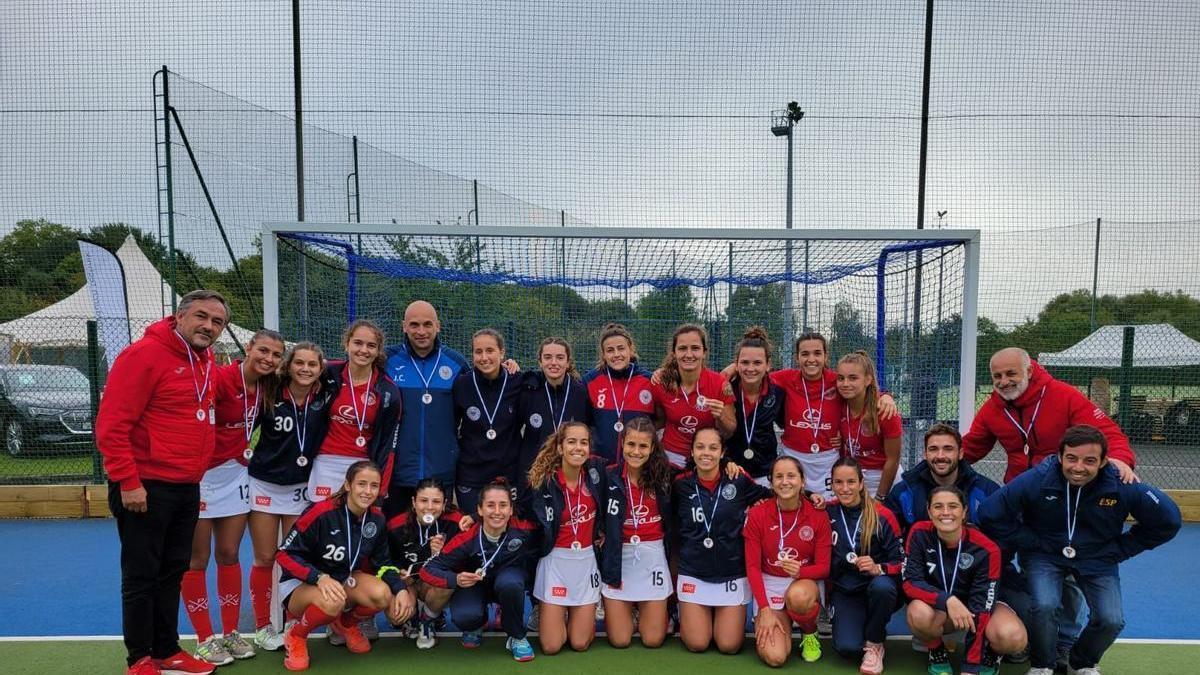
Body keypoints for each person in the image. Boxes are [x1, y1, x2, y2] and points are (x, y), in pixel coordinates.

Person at [97, 289, 230, 675]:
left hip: (186, 486)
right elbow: (111, 425)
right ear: (180, 316)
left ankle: (166, 649)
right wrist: (128, 480)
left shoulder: (204, 360)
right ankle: (139, 658)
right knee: (141, 575)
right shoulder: (143, 355)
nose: (209, 326)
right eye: (202, 317)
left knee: (173, 571)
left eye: (217, 322)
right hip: (145, 485)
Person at [978, 425, 1180, 675]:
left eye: (1090, 461)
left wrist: (1121, 549)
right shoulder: (1038, 479)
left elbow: (1168, 520)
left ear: (1105, 461)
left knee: (1110, 620)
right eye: (1071, 458)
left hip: (1098, 558)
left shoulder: (1121, 484)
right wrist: (1030, 541)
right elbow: (990, 513)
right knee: (1045, 606)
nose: (1078, 467)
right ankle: (1043, 664)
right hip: (1045, 555)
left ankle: (1080, 661)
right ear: (1060, 456)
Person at [181, 329, 284, 665]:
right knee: (197, 559)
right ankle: (204, 638)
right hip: (202, 476)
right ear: (249, 348)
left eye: (275, 355)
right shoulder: (221, 379)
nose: (268, 359)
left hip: (237, 473)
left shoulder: (267, 387)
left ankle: (230, 633)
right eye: (263, 351)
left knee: (228, 554)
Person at [276, 461, 415, 671]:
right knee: (332, 600)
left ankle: (346, 624)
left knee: (383, 595)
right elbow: (284, 554)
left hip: (342, 581)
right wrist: (318, 577)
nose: (368, 492)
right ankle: (297, 635)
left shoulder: (376, 519)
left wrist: (401, 589)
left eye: (374, 486)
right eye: (362, 484)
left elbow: (383, 564)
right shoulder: (321, 512)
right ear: (348, 485)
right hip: (301, 585)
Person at [246, 341, 335, 652]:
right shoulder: (270, 393)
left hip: (301, 488)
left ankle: (289, 620)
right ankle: (261, 625)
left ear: (321, 368)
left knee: (295, 557)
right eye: (300, 363)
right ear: (289, 364)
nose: (306, 369)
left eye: (313, 364)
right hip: (265, 485)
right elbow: (243, 428)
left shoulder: (325, 394)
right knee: (265, 557)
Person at [963, 347, 1137, 484]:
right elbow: (972, 446)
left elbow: (1108, 434)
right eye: (997, 376)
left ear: (1029, 371)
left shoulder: (1064, 396)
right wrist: (940, 459)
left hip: (1062, 487)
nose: (1004, 382)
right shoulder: (992, 408)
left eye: (1011, 373)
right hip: (1018, 489)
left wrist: (1119, 460)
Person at [903, 486, 1028, 675]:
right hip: (942, 608)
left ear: (964, 512)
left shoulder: (987, 549)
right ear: (929, 511)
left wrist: (970, 667)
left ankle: (990, 656)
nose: (945, 512)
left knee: (1014, 637)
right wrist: (947, 600)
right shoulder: (919, 533)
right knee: (917, 612)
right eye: (938, 506)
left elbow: (982, 608)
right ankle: (936, 651)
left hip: (979, 608)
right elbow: (910, 582)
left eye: (953, 506)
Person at [672, 427, 772, 654]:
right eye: (700, 447)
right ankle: (686, 611)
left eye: (713, 448)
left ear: (722, 452)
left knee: (728, 645)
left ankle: (717, 616)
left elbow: (774, 497)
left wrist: (809, 497)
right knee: (698, 644)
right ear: (692, 451)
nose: (706, 453)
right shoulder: (679, 484)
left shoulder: (738, 480)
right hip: (693, 572)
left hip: (731, 572)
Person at [420, 478, 540, 662]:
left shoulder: (525, 530)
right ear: (479, 510)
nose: (497, 512)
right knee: (465, 616)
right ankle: (477, 623)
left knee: (511, 583)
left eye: (503, 505)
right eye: (490, 505)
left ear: (511, 509)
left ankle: (516, 636)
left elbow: (551, 539)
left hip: (509, 581)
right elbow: (428, 569)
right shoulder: (467, 538)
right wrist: (456, 579)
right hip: (477, 585)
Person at [768, 332, 896, 499]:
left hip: (827, 460)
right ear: (796, 357)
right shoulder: (785, 378)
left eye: (817, 353)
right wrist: (733, 368)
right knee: (796, 508)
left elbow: (862, 389)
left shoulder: (837, 380)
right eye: (805, 354)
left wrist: (886, 395)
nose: (811, 359)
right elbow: (754, 377)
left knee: (829, 511)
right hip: (794, 457)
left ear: (826, 356)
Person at [528, 421, 619, 654]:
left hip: (586, 561)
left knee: (579, 643)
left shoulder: (597, 473)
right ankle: (554, 612)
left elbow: (632, 470)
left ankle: (580, 612)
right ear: (559, 448)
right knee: (551, 646)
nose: (578, 448)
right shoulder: (544, 482)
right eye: (571, 442)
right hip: (555, 562)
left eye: (583, 442)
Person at [743, 456, 832, 667]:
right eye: (779, 476)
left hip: (801, 583)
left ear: (803, 481)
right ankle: (780, 621)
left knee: (799, 597)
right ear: (771, 482)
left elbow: (824, 567)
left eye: (791, 476)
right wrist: (764, 610)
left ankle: (809, 633)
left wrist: (801, 571)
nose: (785, 481)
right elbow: (753, 568)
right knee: (776, 657)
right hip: (769, 584)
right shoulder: (757, 514)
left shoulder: (818, 516)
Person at [384, 300, 469, 516]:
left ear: (438, 326)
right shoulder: (386, 360)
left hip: (441, 472)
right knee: (397, 537)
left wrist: (508, 368)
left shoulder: (456, 363)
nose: (421, 331)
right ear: (404, 326)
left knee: (438, 540)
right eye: (414, 325)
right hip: (398, 472)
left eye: (427, 324)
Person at [598, 416, 674, 649]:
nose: (636, 451)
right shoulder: (606, 474)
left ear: (652, 448)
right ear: (622, 444)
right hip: (619, 557)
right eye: (631, 444)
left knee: (652, 640)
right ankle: (628, 611)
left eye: (643, 446)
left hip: (653, 556)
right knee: (620, 640)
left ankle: (653, 613)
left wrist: (729, 464)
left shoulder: (666, 476)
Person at [307, 320, 403, 504]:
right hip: (324, 463)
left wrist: (381, 492)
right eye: (358, 343)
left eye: (371, 346)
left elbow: (388, 445)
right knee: (322, 524)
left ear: (378, 351)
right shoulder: (328, 373)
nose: (364, 350)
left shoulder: (388, 390)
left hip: (362, 467)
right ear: (346, 344)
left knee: (353, 527)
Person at [826, 458, 905, 674]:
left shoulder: (883, 515)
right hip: (846, 591)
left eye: (851, 482)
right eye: (838, 482)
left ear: (861, 483)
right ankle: (863, 627)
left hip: (876, 589)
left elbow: (902, 563)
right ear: (831, 485)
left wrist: (879, 567)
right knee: (847, 648)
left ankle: (874, 643)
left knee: (883, 587)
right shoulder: (826, 512)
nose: (845, 488)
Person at [516, 337, 591, 515]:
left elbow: (588, 429)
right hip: (534, 469)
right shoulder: (528, 390)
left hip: (569, 469)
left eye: (559, 357)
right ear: (540, 362)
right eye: (548, 357)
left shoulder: (580, 392)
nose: (554, 363)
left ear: (568, 362)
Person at [385, 479, 464, 649]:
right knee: (396, 615)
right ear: (414, 502)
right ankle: (412, 617)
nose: (429, 507)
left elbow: (462, 563)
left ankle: (427, 621)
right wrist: (399, 577)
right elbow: (386, 562)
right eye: (423, 500)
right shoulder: (395, 526)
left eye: (436, 501)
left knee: (447, 580)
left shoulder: (456, 523)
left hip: (433, 583)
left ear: (444, 504)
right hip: (408, 583)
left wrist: (441, 555)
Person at [453, 328, 523, 514]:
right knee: (472, 529)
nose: (484, 357)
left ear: (502, 352)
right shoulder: (462, 384)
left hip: (507, 474)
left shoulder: (517, 381)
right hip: (471, 474)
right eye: (478, 352)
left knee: (504, 530)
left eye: (490, 351)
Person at [884, 423, 999, 535]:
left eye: (948, 449)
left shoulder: (987, 491)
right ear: (925, 454)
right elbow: (886, 535)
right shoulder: (904, 492)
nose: (940, 456)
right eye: (933, 449)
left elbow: (1001, 537)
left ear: (960, 453)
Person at [651, 324, 736, 470]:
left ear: (704, 352)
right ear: (674, 353)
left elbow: (730, 430)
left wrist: (721, 417)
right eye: (682, 348)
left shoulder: (720, 384)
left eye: (695, 348)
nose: (689, 355)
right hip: (670, 457)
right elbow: (659, 420)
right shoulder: (661, 383)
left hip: (705, 457)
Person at [582, 323, 655, 462]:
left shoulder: (649, 381)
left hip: (637, 464)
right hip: (600, 464)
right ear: (603, 354)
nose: (616, 354)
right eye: (610, 350)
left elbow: (659, 419)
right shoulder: (590, 381)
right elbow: (585, 421)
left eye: (621, 348)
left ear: (631, 349)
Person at [835, 351, 902, 499]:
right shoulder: (838, 405)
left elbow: (893, 460)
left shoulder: (885, 411)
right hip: (854, 478)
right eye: (841, 378)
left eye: (853, 378)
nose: (845, 384)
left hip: (884, 479)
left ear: (868, 380)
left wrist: (880, 497)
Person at [724, 326, 785, 484]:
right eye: (745, 362)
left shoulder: (777, 393)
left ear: (768, 365)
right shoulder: (726, 388)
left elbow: (787, 424)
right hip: (731, 469)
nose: (750, 369)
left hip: (765, 472)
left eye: (757, 363)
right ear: (736, 364)